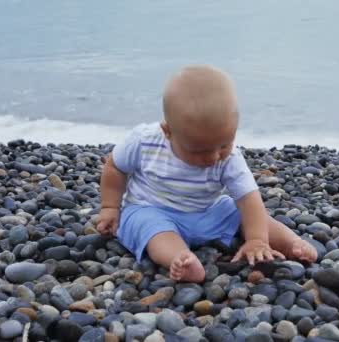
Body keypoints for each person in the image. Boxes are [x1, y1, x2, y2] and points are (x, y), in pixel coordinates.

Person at [96, 65, 317, 283]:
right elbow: (115, 167)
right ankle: (182, 260)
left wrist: (257, 239)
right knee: (150, 228)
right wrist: (110, 207)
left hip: (207, 211)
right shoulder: (144, 142)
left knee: (244, 214)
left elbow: (248, 198)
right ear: (168, 132)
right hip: (152, 208)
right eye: (200, 151)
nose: (213, 157)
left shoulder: (230, 158)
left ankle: (292, 244)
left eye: (224, 144)